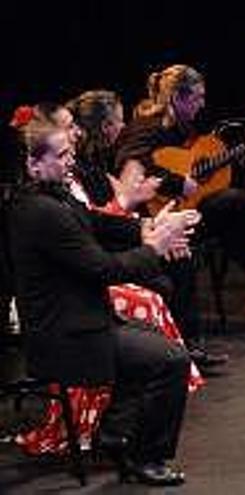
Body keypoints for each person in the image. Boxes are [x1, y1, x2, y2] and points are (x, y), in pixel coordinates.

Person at [10, 115, 193, 485]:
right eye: (61, 156)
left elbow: (97, 224)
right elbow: (102, 268)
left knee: (150, 342)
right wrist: (155, 247)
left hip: (85, 321)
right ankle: (146, 456)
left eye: (70, 153)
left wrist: (147, 227)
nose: (69, 162)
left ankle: (114, 432)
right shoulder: (40, 212)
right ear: (33, 164)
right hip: (66, 338)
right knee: (171, 360)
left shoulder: (52, 197)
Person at [115, 64, 245, 351]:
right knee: (236, 206)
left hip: (193, 213)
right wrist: (175, 182)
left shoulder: (185, 128)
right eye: (196, 97)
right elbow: (129, 166)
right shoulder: (147, 127)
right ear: (177, 99)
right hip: (156, 219)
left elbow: (212, 174)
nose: (202, 103)